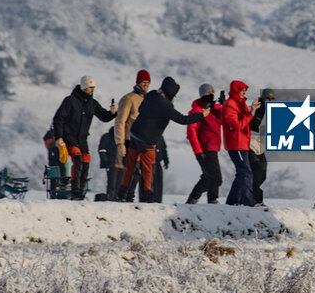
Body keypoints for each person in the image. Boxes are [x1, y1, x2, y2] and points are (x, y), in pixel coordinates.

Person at [118, 77, 205, 203]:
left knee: (130, 166)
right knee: (148, 169)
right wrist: (202, 115)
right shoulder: (166, 106)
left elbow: (140, 109)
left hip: (134, 134)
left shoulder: (151, 94)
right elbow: (183, 119)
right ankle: (148, 195)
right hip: (147, 140)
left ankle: (122, 193)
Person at [52, 76, 117, 200]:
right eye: (90, 87)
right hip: (69, 137)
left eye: (93, 87)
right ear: (83, 87)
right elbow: (58, 119)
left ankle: (80, 192)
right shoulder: (70, 101)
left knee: (86, 163)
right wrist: (59, 138)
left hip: (82, 140)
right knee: (78, 159)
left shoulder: (93, 104)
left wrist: (112, 113)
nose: (92, 90)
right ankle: (75, 191)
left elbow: (104, 117)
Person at [113, 70, 150, 201]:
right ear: (138, 83)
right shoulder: (128, 99)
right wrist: (120, 142)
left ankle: (129, 197)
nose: (145, 85)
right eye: (143, 82)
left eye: (147, 83)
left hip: (142, 141)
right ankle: (123, 196)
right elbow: (120, 121)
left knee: (138, 172)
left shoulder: (148, 99)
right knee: (131, 170)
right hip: (129, 140)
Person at [223, 80, 260, 206]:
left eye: (245, 90)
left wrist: (252, 111)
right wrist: (250, 113)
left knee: (242, 173)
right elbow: (236, 125)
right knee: (246, 172)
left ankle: (232, 202)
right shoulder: (230, 105)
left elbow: (246, 122)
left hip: (243, 143)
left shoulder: (241, 104)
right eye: (242, 90)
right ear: (236, 90)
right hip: (235, 144)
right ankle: (249, 202)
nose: (244, 93)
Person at [186, 84, 223, 204]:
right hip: (205, 147)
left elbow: (227, 119)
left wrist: (225, 105)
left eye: (212, 92)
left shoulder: (216, 108)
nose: (210, 95)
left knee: (209, 176)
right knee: (215, 178)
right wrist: (198, 151)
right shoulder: (197, 110)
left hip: (215, 146)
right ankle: (198, 198)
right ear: (202, 95)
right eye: (207, 93)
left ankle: (211, 199)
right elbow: (191, 132)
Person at [249, 88, 275, 205]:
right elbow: (252, 125)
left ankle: (242, 197)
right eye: (267, 98)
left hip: (261, 147)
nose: (270, 101)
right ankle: (257, 200)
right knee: (257, 173)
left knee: (263, 175)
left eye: (272, 99)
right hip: (251, 145)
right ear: (263, 99)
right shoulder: (257, 109)